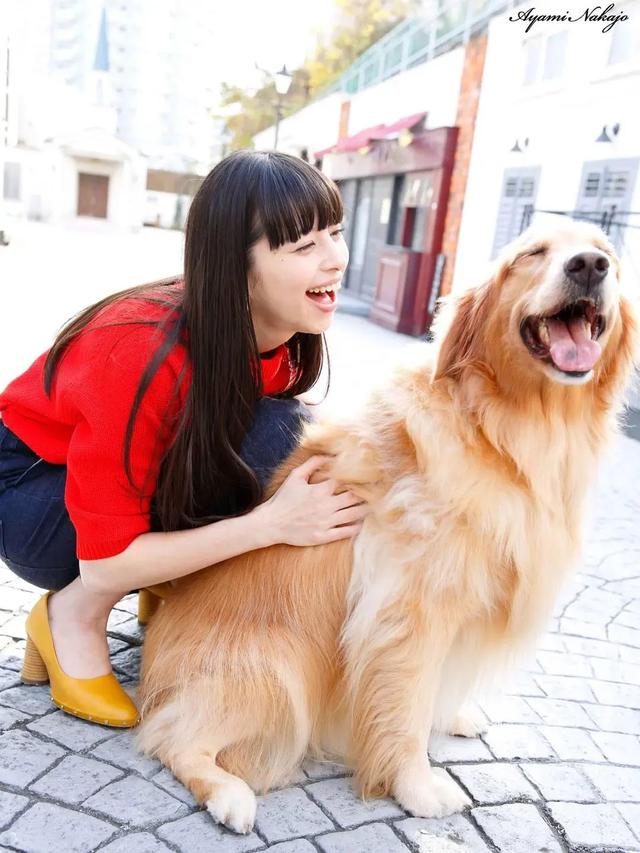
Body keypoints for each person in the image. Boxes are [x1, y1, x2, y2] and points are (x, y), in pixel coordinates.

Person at [0, 150, 367, 728]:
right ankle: (70, 616)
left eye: (336, 234)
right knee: (270, 449)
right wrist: (267, 526)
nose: (335, 261)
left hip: (117, 477)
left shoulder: (281, 332)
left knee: (280, 433)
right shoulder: (138, 350)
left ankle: (167, 574)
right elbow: (104, 560)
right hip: (32, 497)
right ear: (235, 265)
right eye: (304, 247)